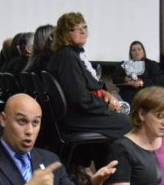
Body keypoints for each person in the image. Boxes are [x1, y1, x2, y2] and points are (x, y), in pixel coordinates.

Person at [45, 12, 129, 142]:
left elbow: (82, 89)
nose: (83, 31)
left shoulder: (68, 54)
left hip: (78, 115)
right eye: (75, 29)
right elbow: (80, 98)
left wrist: (103, 93)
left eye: (84, 27)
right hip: (78, 117)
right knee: (133, 124)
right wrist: (106, 105)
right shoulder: (68, 57)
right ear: (64, 33)